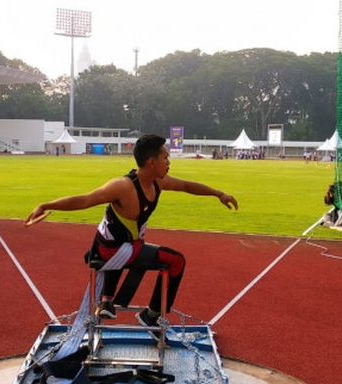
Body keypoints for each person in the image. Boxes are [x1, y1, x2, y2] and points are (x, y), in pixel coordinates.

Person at [25, 134, 238, 328]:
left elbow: (186, 186)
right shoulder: (123, 187)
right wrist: (46, 205)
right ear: (151, 162)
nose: (169, 162)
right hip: (109, 251)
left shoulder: (158, 183)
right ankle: (150, 315)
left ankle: (109, 299)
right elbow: (86, 200)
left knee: (139, 245)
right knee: (176, 260)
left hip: (128, 246)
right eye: (165, 157)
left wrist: (218, 194)